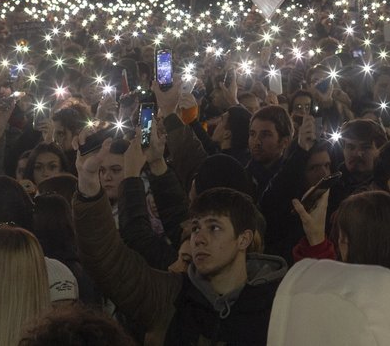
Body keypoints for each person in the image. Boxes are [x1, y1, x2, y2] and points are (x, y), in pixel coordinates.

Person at [74, 143, 286, 344]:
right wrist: (89, 189)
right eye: (195, 228)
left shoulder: (277, 304)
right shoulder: (169, 297)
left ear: (244, 239)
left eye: (214, 228)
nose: (200, 239)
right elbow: (109, 263)